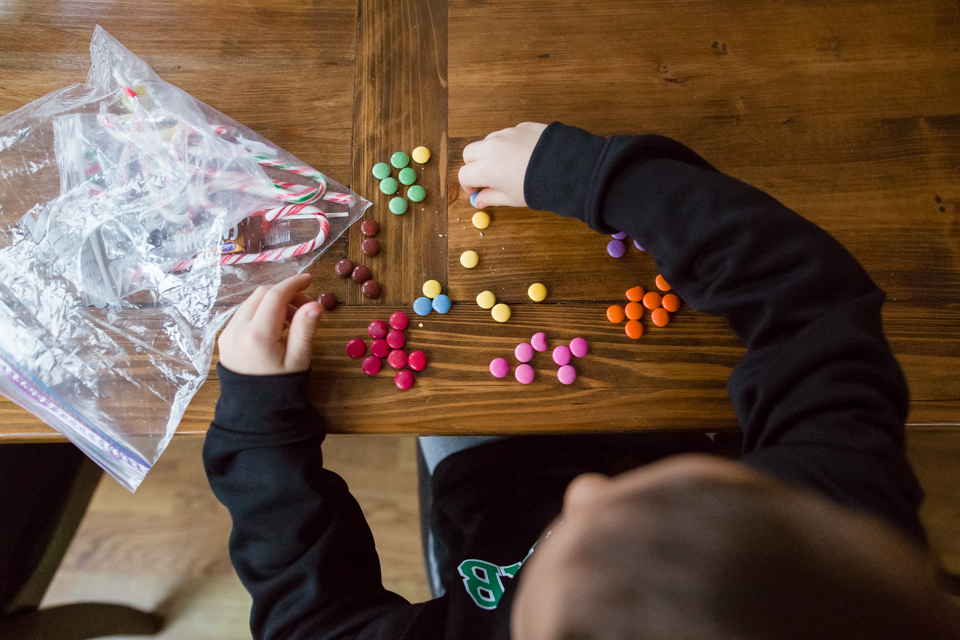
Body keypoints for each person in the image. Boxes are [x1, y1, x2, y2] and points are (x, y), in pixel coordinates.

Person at [203, 122, 960, 639]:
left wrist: (257, 426)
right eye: (666, 501)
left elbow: (311, 624)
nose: (582, 491)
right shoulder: (839, 523)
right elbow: (810, 300)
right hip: (669, 417)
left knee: (445, 390)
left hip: (489, 487)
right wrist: (588, 176)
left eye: (568, 542)